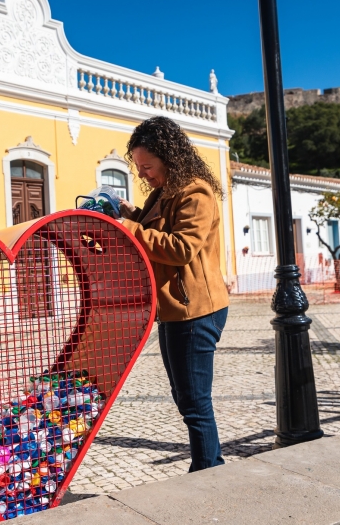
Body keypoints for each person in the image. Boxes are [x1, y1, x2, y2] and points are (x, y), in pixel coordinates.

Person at [117, 116, 229, 471]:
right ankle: (213, 466)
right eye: (140, 167)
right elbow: (157, 228)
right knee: (186, 399)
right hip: (174, 308)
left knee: (196, 404)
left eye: (148, 166)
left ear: (168, 156)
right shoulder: (163, 192)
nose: (145, 174)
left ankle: (206, 474)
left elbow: (181, 247)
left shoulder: (196, 190)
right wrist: (130, 214)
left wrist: (130, 229)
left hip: (195, 309)